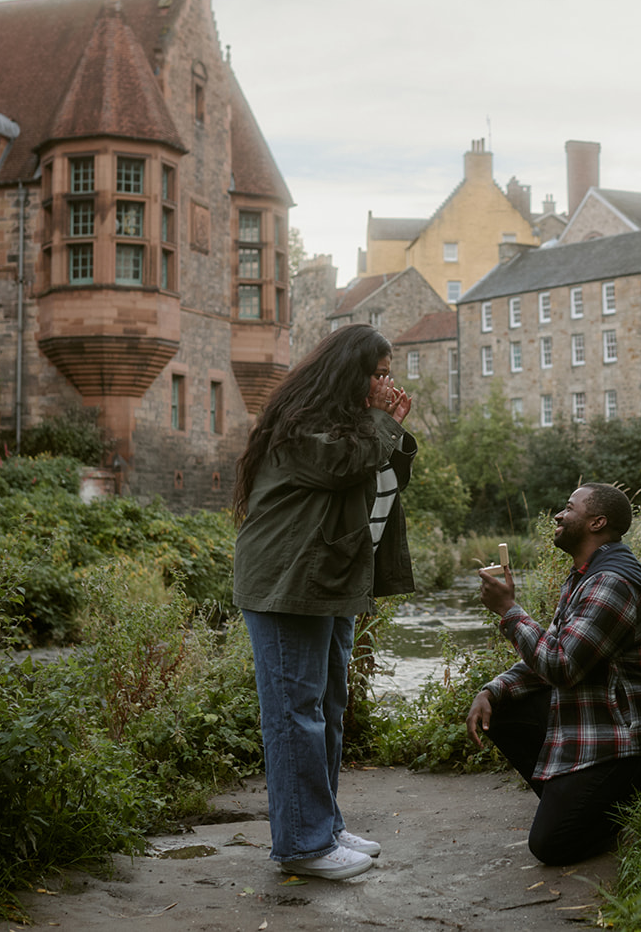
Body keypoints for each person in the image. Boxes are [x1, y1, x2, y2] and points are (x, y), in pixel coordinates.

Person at [232, 324, 416, 880]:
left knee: (327, 708)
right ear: (347, 373)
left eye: (388, 374)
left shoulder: (347, 423)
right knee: (295, 715)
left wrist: (386, 426)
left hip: (329, 578)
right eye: (377, 374)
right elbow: (342, 467)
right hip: (289, 582)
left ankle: (325, 825)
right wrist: (382, 421)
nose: (386, 385)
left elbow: (383, 477)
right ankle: (302, 845)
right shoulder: (303, 423)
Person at [466, 483, 641, 866]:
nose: (559, 515)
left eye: (569, 508)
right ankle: (578, 802)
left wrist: (508, 610)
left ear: (597, 522)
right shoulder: (586, 575)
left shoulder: (614, 582)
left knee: (551, 846)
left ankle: (637, 798)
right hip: (600, 725)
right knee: (502, 709)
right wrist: (493, 690)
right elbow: (552, 648)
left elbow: (561, 665)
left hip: (631, 742)